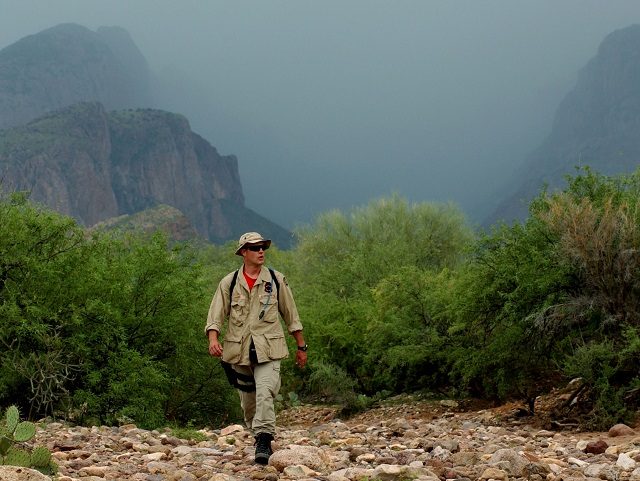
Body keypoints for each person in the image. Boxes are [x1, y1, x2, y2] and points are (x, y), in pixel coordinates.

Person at [205, 232, 308, 465]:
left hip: (269, 350)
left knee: (265, 392)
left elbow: (291, 316)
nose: (261, 251)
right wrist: (213, 339)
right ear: (243, 252)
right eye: (255, 248)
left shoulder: (276, 279)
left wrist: (301, 346)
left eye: (263, 247)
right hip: (238, 352)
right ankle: (257, 433)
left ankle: (264, 440)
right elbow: (216, 314)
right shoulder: (229, 282)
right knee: (248, 402)